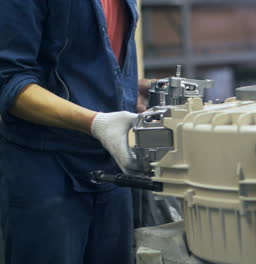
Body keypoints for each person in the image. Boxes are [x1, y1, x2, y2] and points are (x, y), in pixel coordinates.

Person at [0, 0, 152, 263]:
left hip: (111, 165)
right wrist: (96, 122)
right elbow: (9, 81)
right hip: (47, 171)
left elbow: (85, 57)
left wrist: (125, 93)